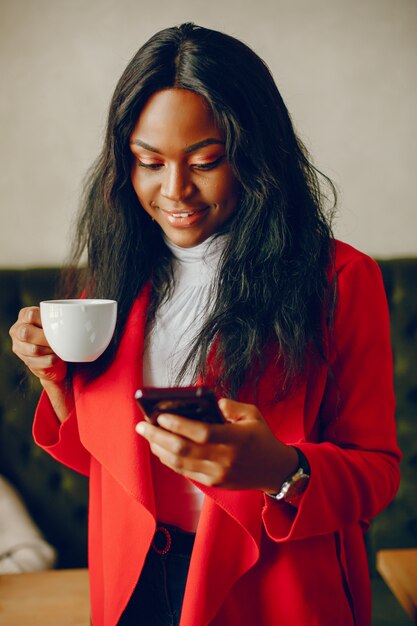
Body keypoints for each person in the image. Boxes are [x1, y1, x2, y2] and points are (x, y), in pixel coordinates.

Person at [9, 22, 400, 626]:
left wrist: (279, 470)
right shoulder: (114, 279)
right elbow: (114, 468)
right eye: (148, 161)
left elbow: (377, 471)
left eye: (206, 161)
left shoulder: (339, 279)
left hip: (272, 586)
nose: (174, 191)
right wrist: (56, 380)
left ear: (256, 155)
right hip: (131, 579)